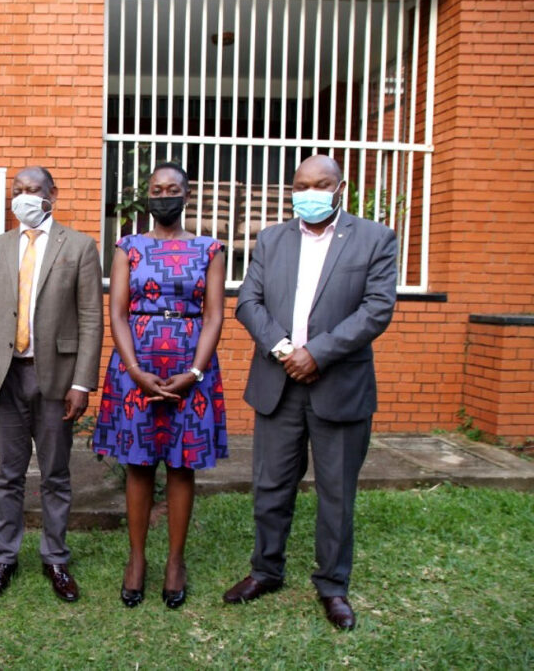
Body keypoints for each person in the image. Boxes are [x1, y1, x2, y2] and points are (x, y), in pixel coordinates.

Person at [223, 154, 397, 630]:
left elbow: (377, 309)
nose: (309, 193)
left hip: (338, 384)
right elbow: (248, 301)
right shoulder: (272, 238)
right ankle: (266, 570)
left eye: (320, 185)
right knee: (271, 487)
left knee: (336, 493)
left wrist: (317, 353)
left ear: (340, 188)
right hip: (278, 383)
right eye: (301, 184)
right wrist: (283, 349)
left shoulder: (374, 239)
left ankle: (332, 586)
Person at [92, 162, 227, 610]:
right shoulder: (127, 246)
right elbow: (116, 313)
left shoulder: (210, 248)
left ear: (187, 195)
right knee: (138, 463)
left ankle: (174, 561)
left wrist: (194, 372)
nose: (163, 195)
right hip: (137, 365)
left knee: (182, 465)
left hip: (191, 364)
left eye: (172, 189)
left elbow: (213, 316)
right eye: (156, 189)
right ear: (146, 195)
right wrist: (133, 369)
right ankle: (136, 559)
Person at [0, 166, 103, 603]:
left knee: (56, 474)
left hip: (57, 380)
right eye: (18, 190)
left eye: (34, 190)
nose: (25, 197)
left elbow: (90, 319)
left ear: (52, 195)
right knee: (8, 474)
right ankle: (4, 557)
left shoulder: (80, 247)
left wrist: (82, 382)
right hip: (4, 378)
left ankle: (55, 558)